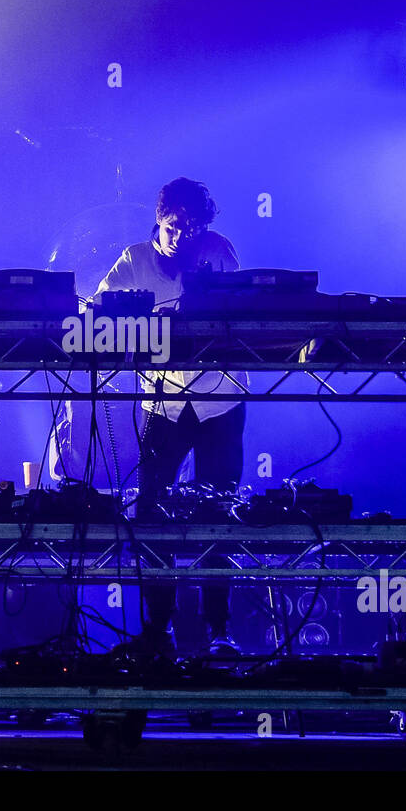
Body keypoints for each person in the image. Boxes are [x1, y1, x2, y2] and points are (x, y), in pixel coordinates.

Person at [93, 177, 245, 657]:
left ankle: (217, 630)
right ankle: (157, 629)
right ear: (159, 220)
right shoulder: (134, 259)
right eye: (175, 225)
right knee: (151, 512)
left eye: (193, 227)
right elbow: (99, 310)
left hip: (221, 401)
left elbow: (239, 314)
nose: (183, 235)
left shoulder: (219, 251)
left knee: (218, 511)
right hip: (165, 403)